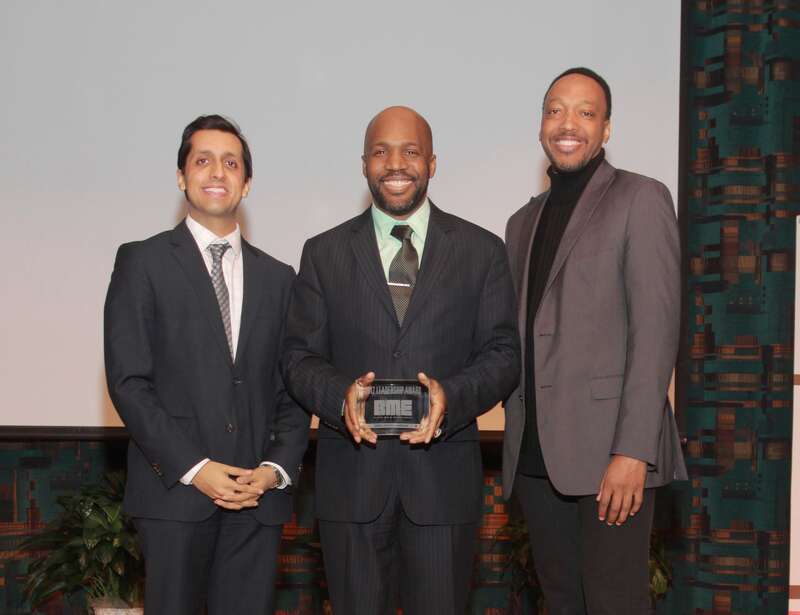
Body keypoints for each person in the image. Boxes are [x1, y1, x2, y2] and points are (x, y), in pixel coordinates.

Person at [282, 106, 520, 615]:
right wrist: (338, 396)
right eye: (381, 151)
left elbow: (503, 356)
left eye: (411, 151)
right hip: (353, 488)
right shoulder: (323, 253)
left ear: (432, 163)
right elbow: (299, 358)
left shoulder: (482, 251)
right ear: (363, 163)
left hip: (442, 487)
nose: (396, 163)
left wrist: (450, 397)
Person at [104, 115, 308, 614]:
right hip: (175, 498)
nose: (217, 171)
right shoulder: (142, 262)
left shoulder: (280, 278)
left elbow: (295, 386)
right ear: (181, 176)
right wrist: (196, 469)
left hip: (255, 502)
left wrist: (274, 469)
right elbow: (129, 382)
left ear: (247, 182)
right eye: (203, 160)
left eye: (231, 162)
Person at [502, 68, 688, 615]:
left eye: (586, 113)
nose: (568, 124)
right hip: (536, 457)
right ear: (541, 124)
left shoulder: (641, 198)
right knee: (561, 601)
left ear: (606, 129)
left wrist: (632, 450)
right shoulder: (520, 222)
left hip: (611, 456)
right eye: (555, 109)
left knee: (615, 602)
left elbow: (656, 332)